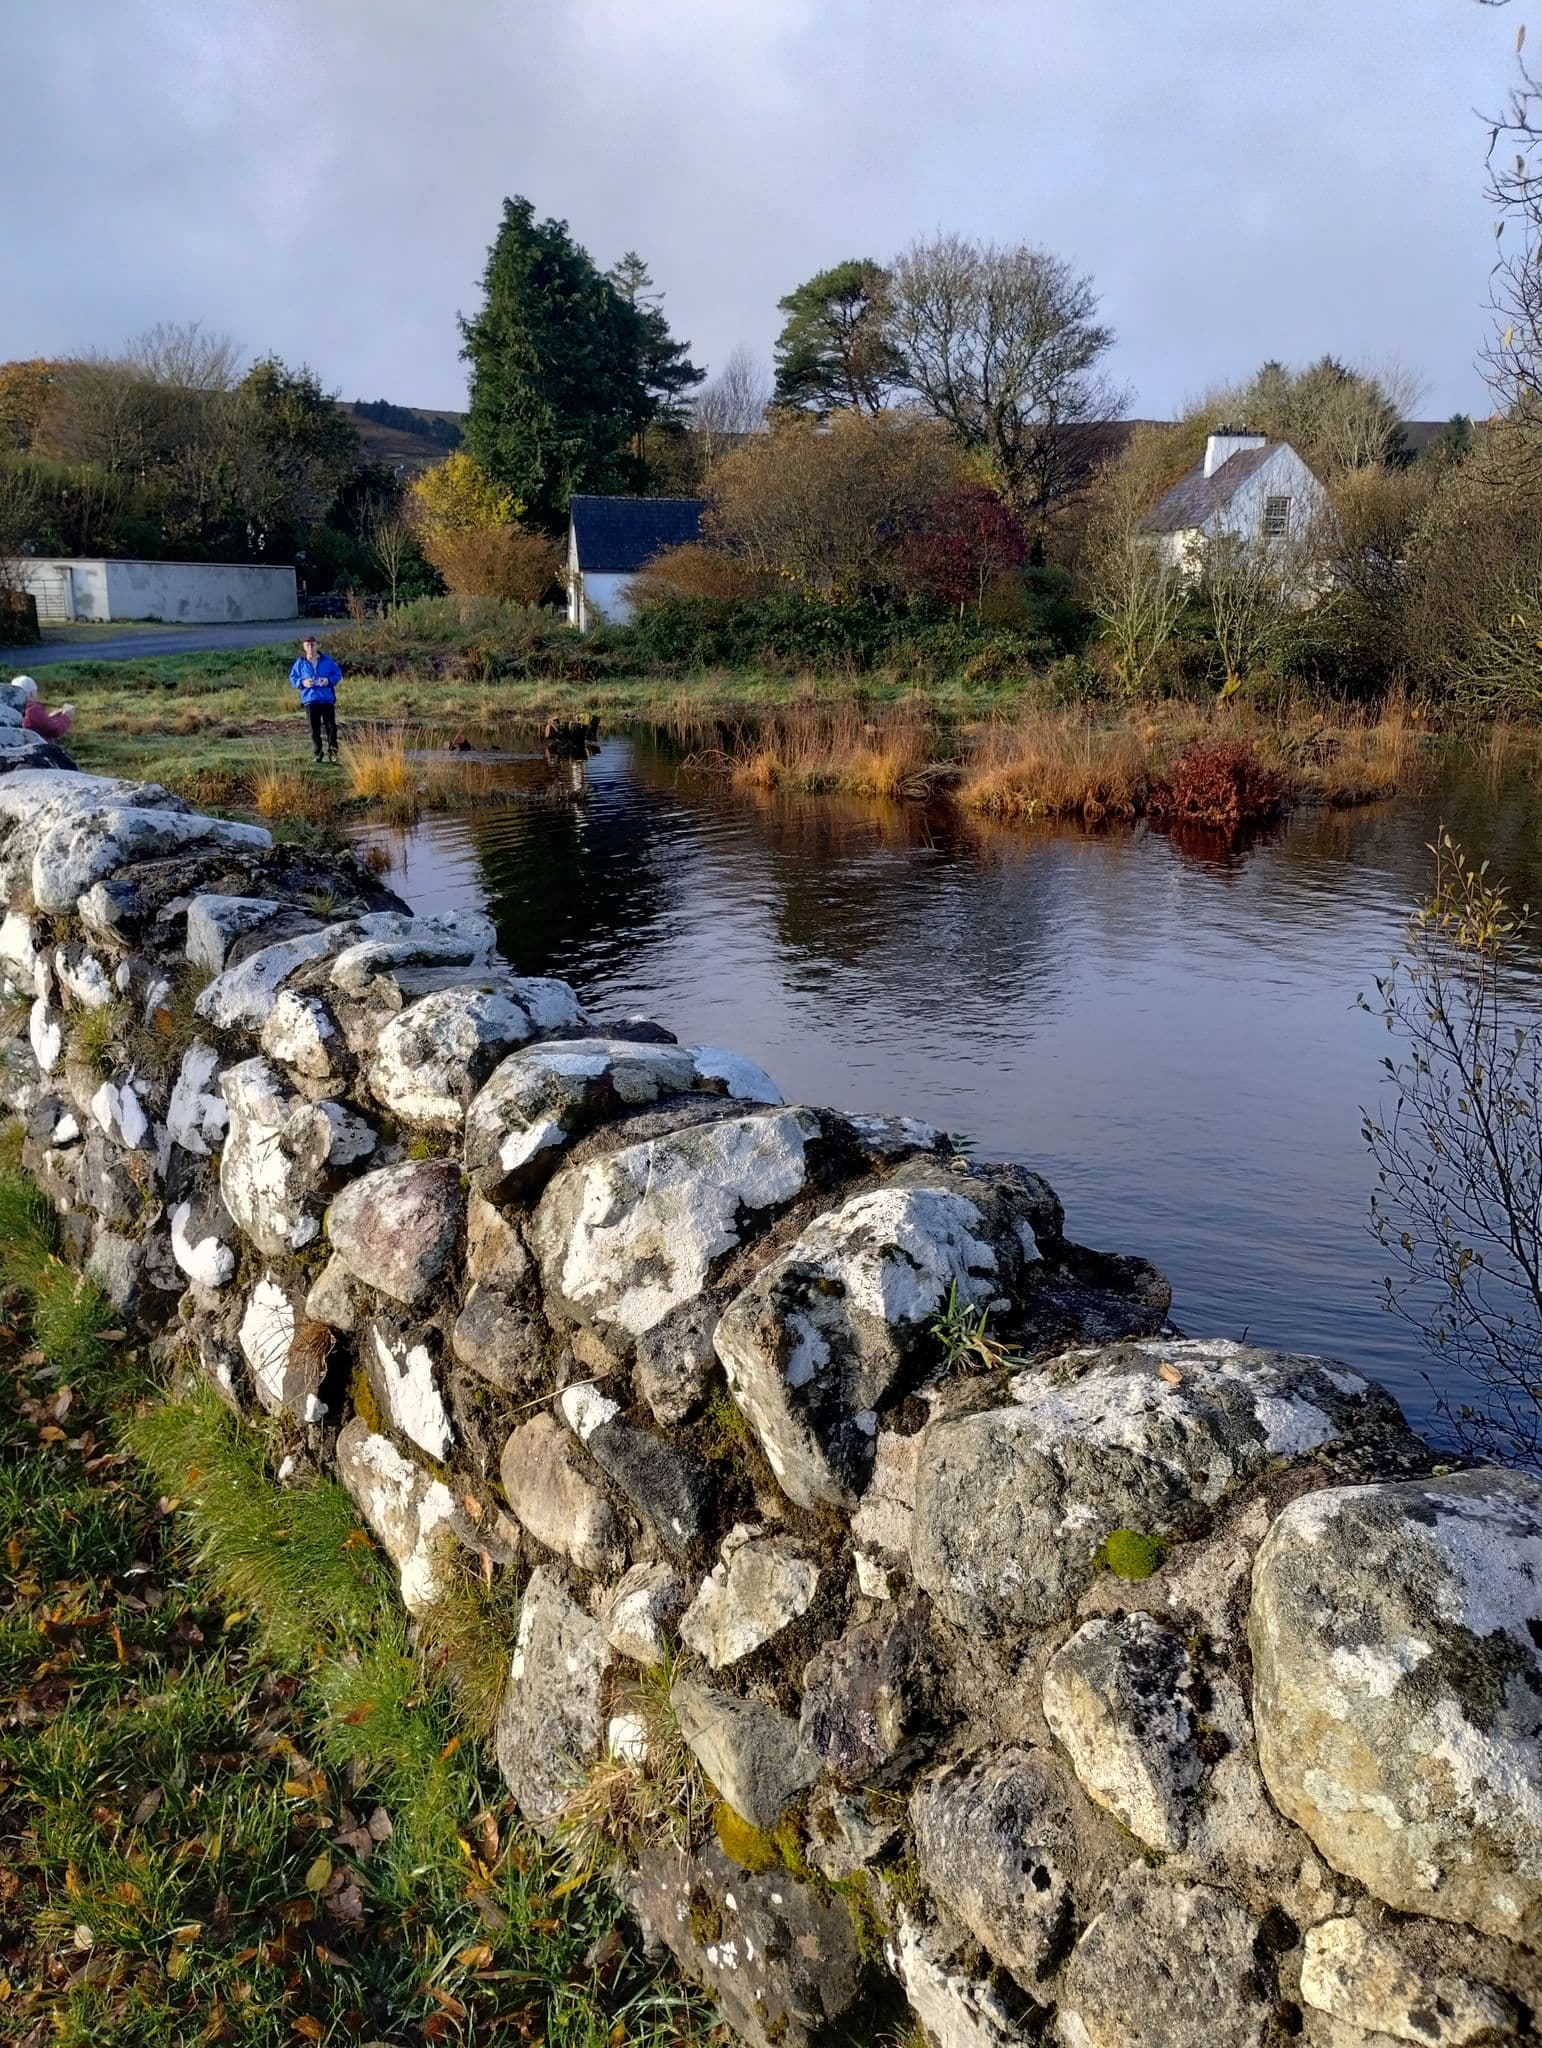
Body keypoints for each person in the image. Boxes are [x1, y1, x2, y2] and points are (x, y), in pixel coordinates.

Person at [289, 635, 342, 763]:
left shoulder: (327, 661)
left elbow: (338, 674)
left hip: (327, 699)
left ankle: (333, 753)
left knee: (331, 728)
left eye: (312, 644)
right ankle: (318, 754)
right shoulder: (300, 663)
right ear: (304, 647)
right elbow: (293, 678)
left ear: (317, 645)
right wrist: (303, 682)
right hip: (310, 700)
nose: (310, 647)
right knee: (314, 729)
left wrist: (328, 680)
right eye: (307, 645)